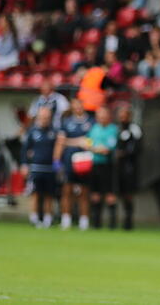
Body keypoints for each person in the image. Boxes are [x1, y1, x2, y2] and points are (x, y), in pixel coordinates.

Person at [54, 98, 95, 230]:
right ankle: (66, 220)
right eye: (75, 106)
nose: (77, 108)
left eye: (79, 105)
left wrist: (70, 141)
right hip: (69, 161)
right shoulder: (66, 122)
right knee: (67, 190)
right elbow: (61, 141)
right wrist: (56, 160)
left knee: (84, 192)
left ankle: (84, 221)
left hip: (85, 161)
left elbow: (91, 141)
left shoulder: (91, 122)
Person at [20, 108, 58, 228]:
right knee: (35, 194)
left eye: (47, 117)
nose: (44, 119)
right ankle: (34, 218)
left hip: (50, 168)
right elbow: (25, 150)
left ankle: (47, 219)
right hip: (36, 168)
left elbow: (58, 150)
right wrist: (24, 164)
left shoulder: (54, 132)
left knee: (48, 195)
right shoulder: (32, 131)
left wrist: (58, 165)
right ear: (38, 117)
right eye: (42, 117)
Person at [84, 106, 118, 228]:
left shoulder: (113, 129)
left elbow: (107, 149)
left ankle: (112, 224)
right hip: (94, 164)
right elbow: (88, 143)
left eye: (104, 116)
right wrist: (94, 148)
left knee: (110, 195)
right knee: (95, 195)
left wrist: (95, 149)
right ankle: (96, 223)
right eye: (99, 116)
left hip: (108, 166)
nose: (101, 118)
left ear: (108, 117)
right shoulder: (94, 129)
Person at [115, 104, 142, 230]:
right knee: (119, 193)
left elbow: (138, 148)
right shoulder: (117, 129)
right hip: (118, 167)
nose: (122, 117)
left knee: (128, 194)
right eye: (120, 115)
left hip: (130, 167)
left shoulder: (134, 129)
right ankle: (116, 221)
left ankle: (128, 222)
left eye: (124, 115)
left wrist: (124, 154)